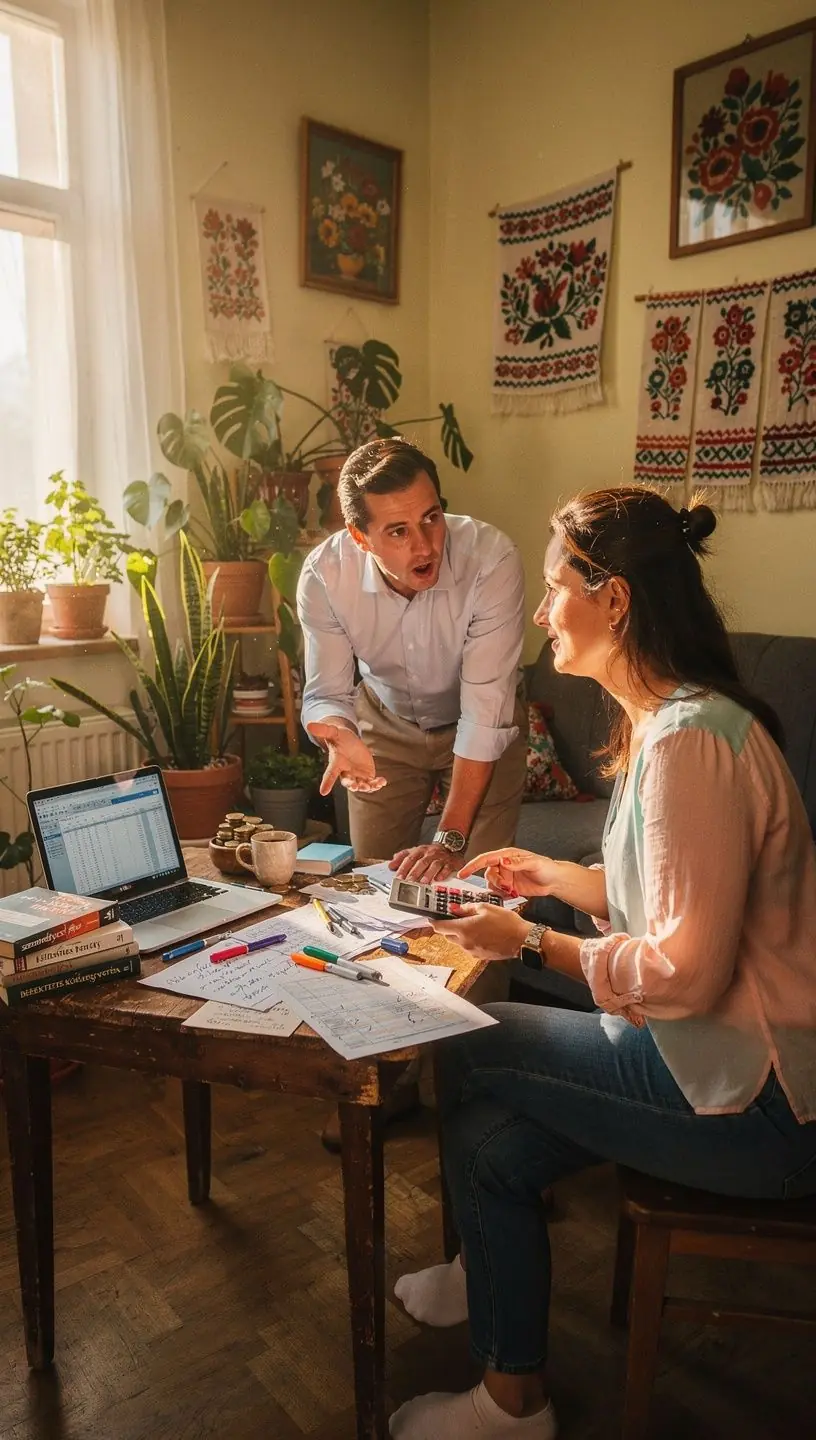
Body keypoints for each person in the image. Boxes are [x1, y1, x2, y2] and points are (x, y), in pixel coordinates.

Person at [389, 486, 816, 1440]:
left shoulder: (690, 744)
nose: (542, 612)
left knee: (466, 1042)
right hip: (713, 1066)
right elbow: (674, 900)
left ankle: (493, 1348)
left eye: (555, 589)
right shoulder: (681, 721)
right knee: (493, 1149)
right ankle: (510, 1386)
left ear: (613, 599)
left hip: (757, 1104)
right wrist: (557, 877)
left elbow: (688, 974)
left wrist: (533, 940)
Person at [296, 436, 528, 883]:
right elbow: (328, 692)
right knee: (376, 886)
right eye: (398, 531)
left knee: (481, 893)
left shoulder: (492, 559)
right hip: (384, 725)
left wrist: (449, 840)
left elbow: (484, 715)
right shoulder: (325, 575)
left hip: (481, 721)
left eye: (431, 518)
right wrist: (339, 733)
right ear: (360, 536)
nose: (424, 546)